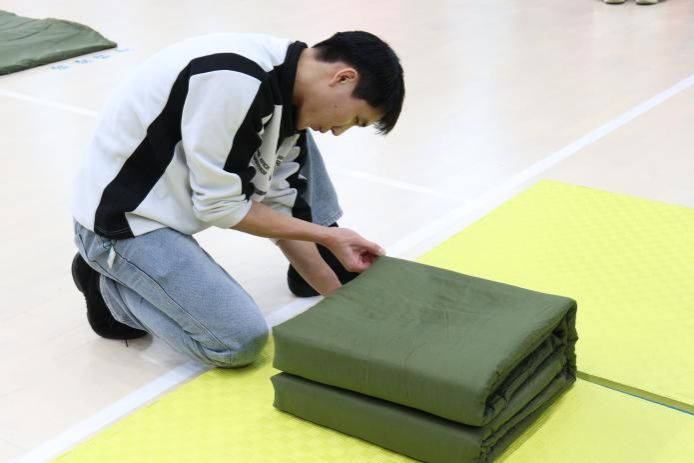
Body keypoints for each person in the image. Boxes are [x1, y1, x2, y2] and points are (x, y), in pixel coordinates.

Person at [70, 31, 405, 367]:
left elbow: (282, 208)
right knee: (238, 343)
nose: (339, 131)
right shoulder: (235, 81)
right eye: (355, 120)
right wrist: (328, 236)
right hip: (122, 223)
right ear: (344, 78)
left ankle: (326, 252)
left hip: (164, 206)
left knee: (305, 164)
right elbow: (219, 207)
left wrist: (339, 302)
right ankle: (105, 285)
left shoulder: (288, 89)